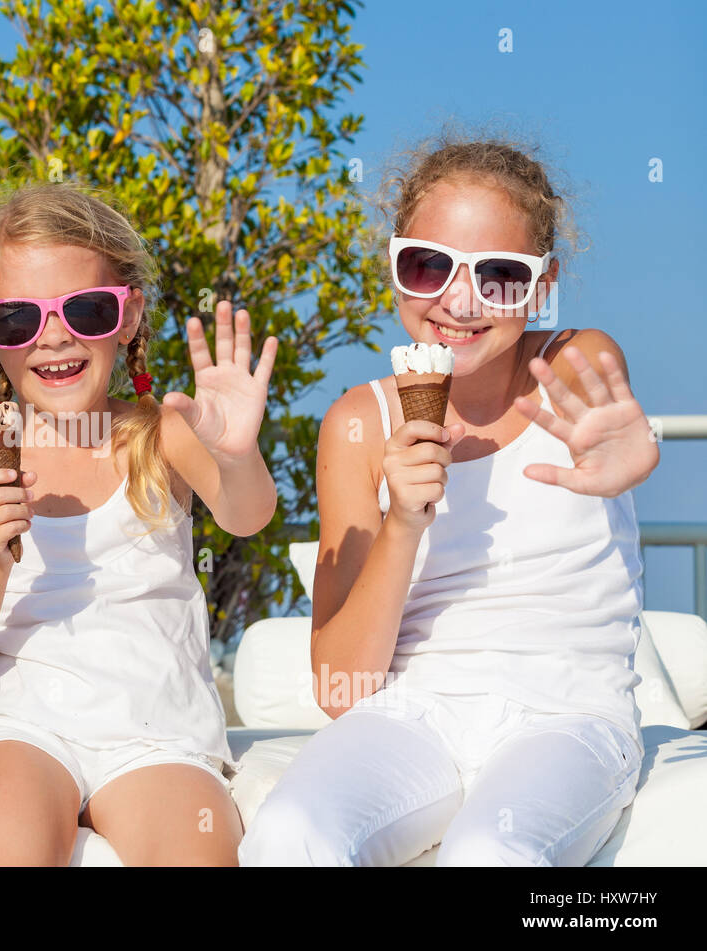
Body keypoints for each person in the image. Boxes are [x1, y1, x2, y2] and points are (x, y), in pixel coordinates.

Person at [239, 138, 659, 866]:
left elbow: (609, 407)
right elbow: (345, 688)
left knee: (491, 851)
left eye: (499, 275)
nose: (459, 301)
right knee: (286, 835)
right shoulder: (358, 423)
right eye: (427, 265)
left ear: (542, 284)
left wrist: (628, 453)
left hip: (567, 715)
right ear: (395, 265)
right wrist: (404, 519)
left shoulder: (574, 365)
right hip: (410, 713)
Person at [0, 182, 278, 865]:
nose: (54, 336)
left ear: (129, 315)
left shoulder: (162, 432)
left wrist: (237, 455)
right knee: (6, 845)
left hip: (155, 726)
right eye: (19, 318)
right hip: (15, 725)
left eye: (85, 310)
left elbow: (246, 515)